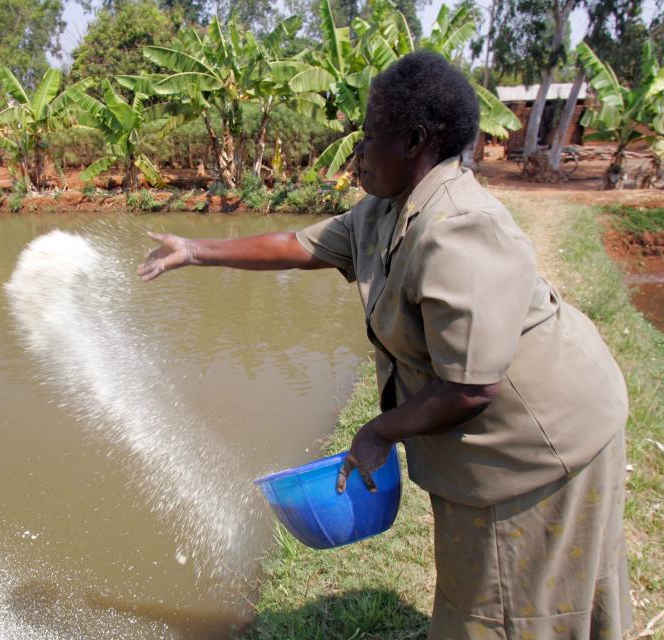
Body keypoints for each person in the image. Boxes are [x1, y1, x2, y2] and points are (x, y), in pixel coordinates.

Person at [137, 51, 632, 640]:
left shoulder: (457, 228)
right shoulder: (385, 208)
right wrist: (195, 251)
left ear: (415, 141)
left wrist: (379, 430)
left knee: (513, 601)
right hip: (495, 438)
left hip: (543, 440)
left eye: (369, 137)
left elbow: (472, 386)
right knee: (486, 584)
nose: (357, 153)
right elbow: (302, 246)